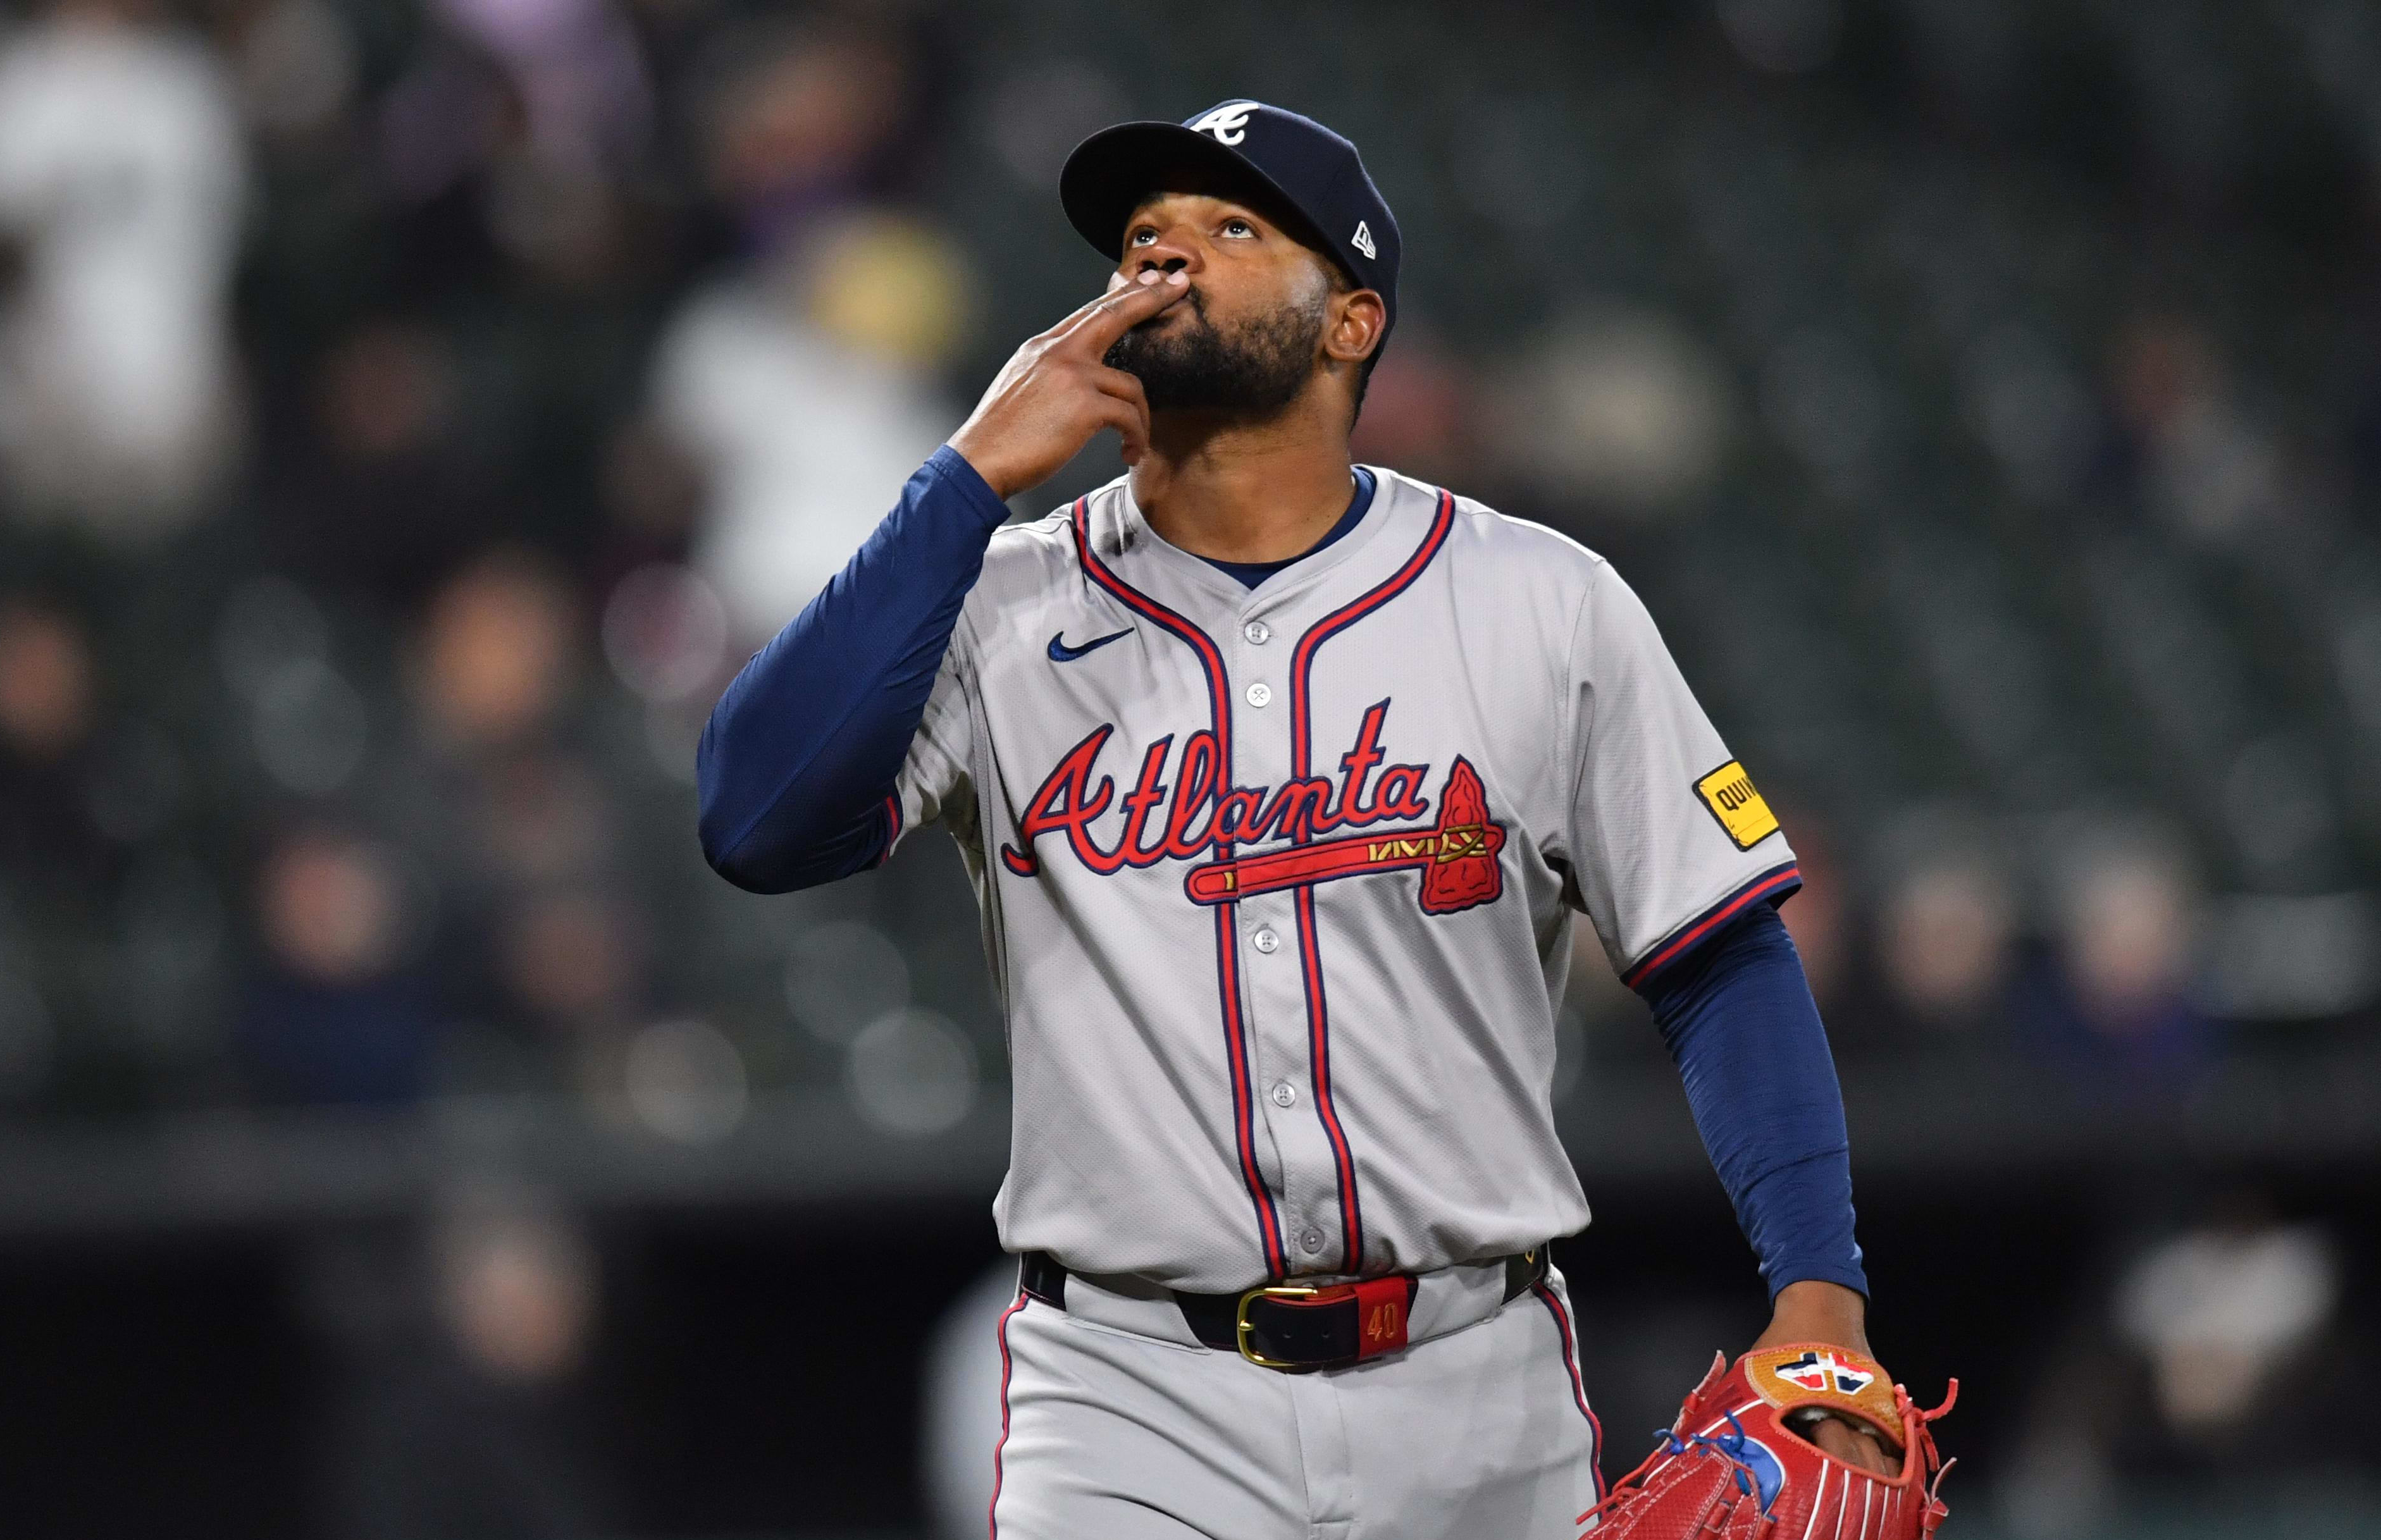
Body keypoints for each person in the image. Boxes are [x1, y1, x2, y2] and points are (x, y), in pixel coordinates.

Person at [697, 99, 1889, 1536]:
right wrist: (962, 485)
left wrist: (1816, 1291)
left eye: (1229, 230)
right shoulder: (1001, 602)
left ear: (1348, 324)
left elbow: (1720, 955)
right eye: (1140, 238)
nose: (1162, 262)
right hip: (1130, 1396)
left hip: (1476, 1382)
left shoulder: (1538, 602)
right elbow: (753, 820)